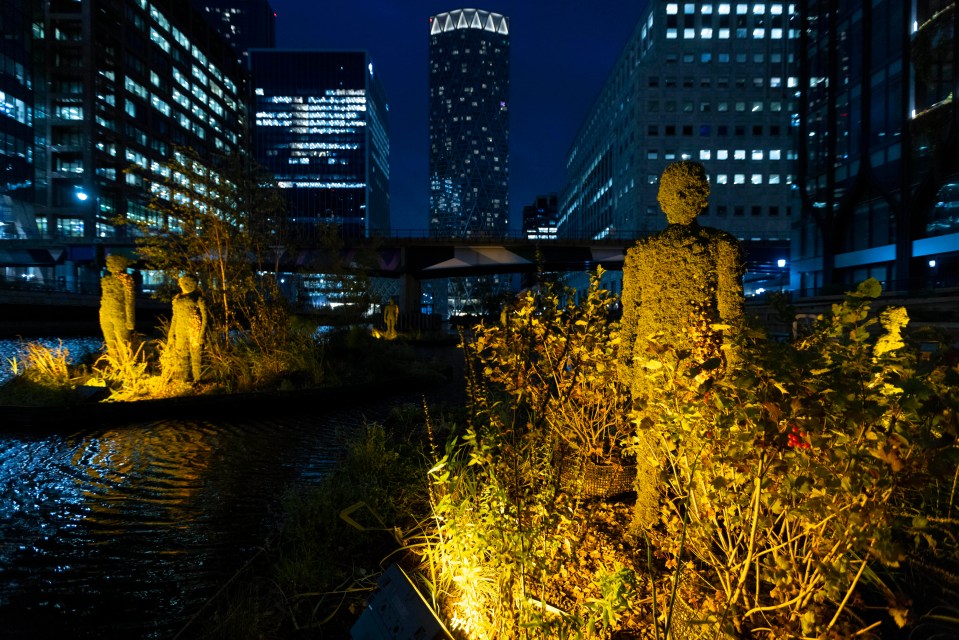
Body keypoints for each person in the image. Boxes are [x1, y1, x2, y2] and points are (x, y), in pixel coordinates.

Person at [618, 160, 744, 531]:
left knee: (699, 445)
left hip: (701, 363)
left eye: (689, 190)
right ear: (660, 199)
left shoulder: (721, 248)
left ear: (702, 198)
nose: (680, 198)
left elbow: (730, 311)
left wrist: (733, 358)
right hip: (653, 362)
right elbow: (631, 312)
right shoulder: (640, 255)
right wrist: (625, 354)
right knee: (650, 438)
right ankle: (647, 512)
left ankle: (701, 524)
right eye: (673, 191)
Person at [166, 275, 208, 383]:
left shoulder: (198, 299)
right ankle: (183, 378)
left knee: (196, 356)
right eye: (183, 283)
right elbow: (174, 318)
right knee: (182, 355)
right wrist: (171, 334)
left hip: (195, 331)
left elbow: (205, 317)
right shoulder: (177, 300)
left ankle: (197, 379)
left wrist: (202, 334)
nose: (184, 285)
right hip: (180, 332)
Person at [99, 254, 135, 358]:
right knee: (110, 343)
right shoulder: (106, 280)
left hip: (120, 315)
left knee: (123, 343)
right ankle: (115, 366)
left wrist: (130, 320)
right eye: (109, 263)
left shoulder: (127, 280)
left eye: (112, 262)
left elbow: (129, 300)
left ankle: (125, 367)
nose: (110, 265)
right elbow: (103, 298)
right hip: (105, 314)